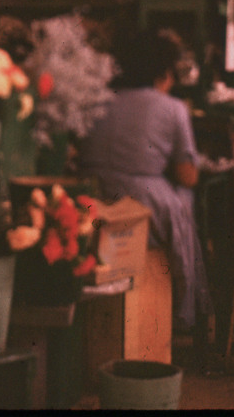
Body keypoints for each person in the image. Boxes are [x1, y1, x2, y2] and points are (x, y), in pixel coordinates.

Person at [78, 28, 212, 335]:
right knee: (184, 198)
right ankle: (188, 310)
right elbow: (187, 176)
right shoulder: (172, 108)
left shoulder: (95, 101)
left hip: (93, 199)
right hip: (141, 206)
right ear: (165, 72)